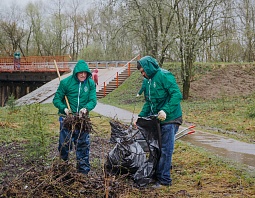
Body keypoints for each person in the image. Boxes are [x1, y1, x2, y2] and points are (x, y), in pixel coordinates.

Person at [136, 56, 183, 188]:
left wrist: (165, 111)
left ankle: (164, 180)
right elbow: (149, 102)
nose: (143, 74)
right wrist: (140, 117)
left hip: (171, 118)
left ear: (149, 67)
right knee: (156, 148)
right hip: (157, 120)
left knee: (166, 149)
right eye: (141, 72)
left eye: (143, 71)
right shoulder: (148, 82)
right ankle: (157, 174)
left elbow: (176, 95)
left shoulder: (164, 76)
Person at [53, 59, 97, 175]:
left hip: (82, 119)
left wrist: (86, 109)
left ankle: (83, 172)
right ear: (76, 72)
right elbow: (56, 99)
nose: (83, 75)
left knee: (83, 144)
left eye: (85, 73)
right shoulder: (65, 83)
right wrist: (64, 109)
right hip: (67, 118)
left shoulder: (90, 84)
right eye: (80, 72)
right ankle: (63, 168)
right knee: (64, 144)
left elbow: (93, 100)